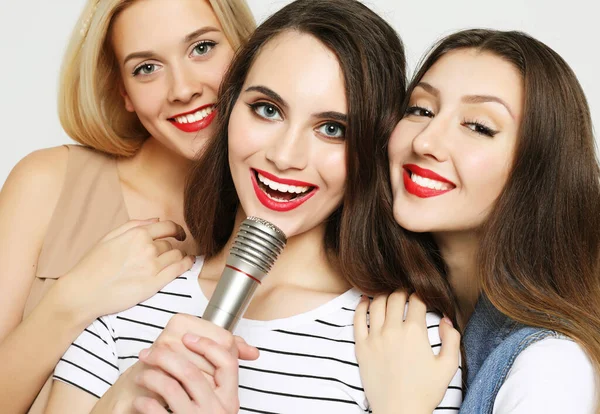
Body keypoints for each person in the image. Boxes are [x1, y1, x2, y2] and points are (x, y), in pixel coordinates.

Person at [46, 1, 463, 413]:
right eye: (267, 110)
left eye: (332, 129)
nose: (285, 156)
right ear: (228, 109)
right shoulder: (128, 304)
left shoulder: (403, 341)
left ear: (373, 147)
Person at [0, 1, 255, 412]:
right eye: (146, 68)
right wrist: (75, 297)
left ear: (248, 52)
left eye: (202, 48)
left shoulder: (277, 212)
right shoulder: (47, 183)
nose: (183, 88)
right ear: (124, 92)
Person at [354, 29, 600, 414]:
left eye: (478, 126)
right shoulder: (382, 299)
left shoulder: (550, 367)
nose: (425, 142)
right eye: (421, 110)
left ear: (537, 170)